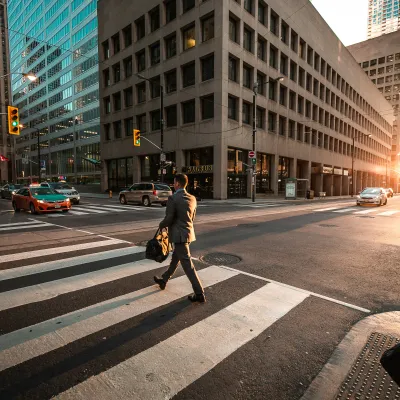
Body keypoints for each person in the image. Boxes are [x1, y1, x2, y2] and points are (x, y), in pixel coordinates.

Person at [154, 173, 206, 303]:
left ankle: (199, 293)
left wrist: (161, 225)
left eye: (174, 182)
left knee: (188, 265)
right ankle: (164, 280)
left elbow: (169, 218)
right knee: (175, 259)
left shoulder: (173, 199)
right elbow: (192, 218)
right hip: (188, 233)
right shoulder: (192, 198)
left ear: (177, 183)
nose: (173, 184)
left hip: (178, 235)